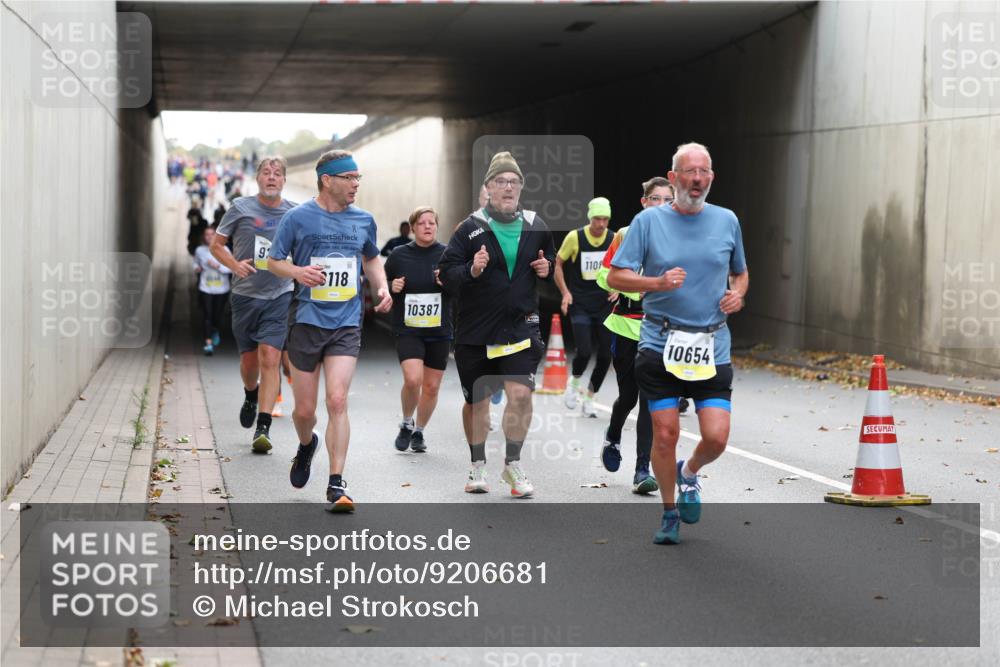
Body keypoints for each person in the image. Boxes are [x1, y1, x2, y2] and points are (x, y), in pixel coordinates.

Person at [608, 142, 748, 544]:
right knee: (665, 434)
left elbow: (740, 272)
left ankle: (689, 473)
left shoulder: (727, 220)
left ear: (711, 178)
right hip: (660, 342)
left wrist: (737, 294)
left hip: (711, 343)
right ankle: (669, 512)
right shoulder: (648, 222)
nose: (697, 179)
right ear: (673, 178)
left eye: (704, 172)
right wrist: (656, 282)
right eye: (690, 172)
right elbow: (616, 275)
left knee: (717, 437)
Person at [269, 149, 392, 512]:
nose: (356, 184)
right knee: (304, 412)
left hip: (346, 323)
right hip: (306, 321)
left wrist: (381, 287)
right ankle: (308, 443)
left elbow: (371, 257)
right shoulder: (297, 218)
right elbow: (273, 261)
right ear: (327, 180)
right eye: (349, 178)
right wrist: (297, 272)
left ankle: (336, 482)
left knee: (337, 400)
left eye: (357, 178)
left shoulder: (364, 220)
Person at [439, 151, 555, 498]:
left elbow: (549, 259)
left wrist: (547, 268)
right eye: (501, 181)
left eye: (514, 182)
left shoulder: (536, 225)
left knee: (520, 394)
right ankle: (477, 465)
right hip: (476, 329)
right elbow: (446, 274)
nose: (508, 187)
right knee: (478, 401)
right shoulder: (470, 228)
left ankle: (512, 464)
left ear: (521, 187)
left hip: (520, 327)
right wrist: (472, 269)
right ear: (488, 187)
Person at [211, 156, 296, 454]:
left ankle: (263, 426)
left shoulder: (294, 213)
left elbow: (307, 247)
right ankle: (251, 393)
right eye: (266, 172)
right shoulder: (240, 207)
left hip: (279, 294)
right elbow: (216, 245)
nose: (271, 177)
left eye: (277, 173)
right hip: (245, 296)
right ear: (257, 178)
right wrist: (234, 265)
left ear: (284, 180)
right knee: (250, 364)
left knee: (270, 357)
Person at [594, 177, 672, 494]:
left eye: (668, 200)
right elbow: (603, 273)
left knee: (649, 399)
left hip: (658, 330)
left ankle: (642, 470)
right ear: (644, 202)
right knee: (628, 396)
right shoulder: (626, 234)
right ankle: (613, 436)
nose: (661, 205)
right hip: (625, 326)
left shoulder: (681, 239)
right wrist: (623, 286)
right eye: (655, 199)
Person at [384, 206, 453, 453]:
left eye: (431, 223)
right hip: (409, 328)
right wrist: (392, 286)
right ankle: (406, 422)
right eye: (422, 223)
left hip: (439, 330)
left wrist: (448, 282)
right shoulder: (399, 255)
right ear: (412, 227)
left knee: (432, 387)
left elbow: (464, 286)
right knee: (413, 379)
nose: (427, 226)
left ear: (437, 226)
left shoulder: (448, 254)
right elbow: (381, 283)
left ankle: (419, 431)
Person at [554, 197, 616, 418]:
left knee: (606, 355)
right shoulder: (575, 237)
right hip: (580, 302)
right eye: (597, 219)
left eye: (605, 219)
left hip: (604, 304)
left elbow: (624, 266)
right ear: (590, 218)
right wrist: (565, 292)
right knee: (585, 350)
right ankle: (574, 381)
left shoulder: (613, 238)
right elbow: (558, 264)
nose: (601, 224)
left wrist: (618, 289)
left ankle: (590, 397)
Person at [193, 226, 232, 356]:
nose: (209, 237)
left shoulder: (225, 250)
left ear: (216, 236)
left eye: (212, 234)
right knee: (207, 315)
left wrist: (218, 266)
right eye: (207, 234)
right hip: (205, 288)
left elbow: (231, 269)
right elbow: (195, 263)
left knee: (217, 316)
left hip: (222, 289)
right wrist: (196, 268)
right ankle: (208, 343)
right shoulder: (200, 250)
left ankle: (215, 329)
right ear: (203, 237)